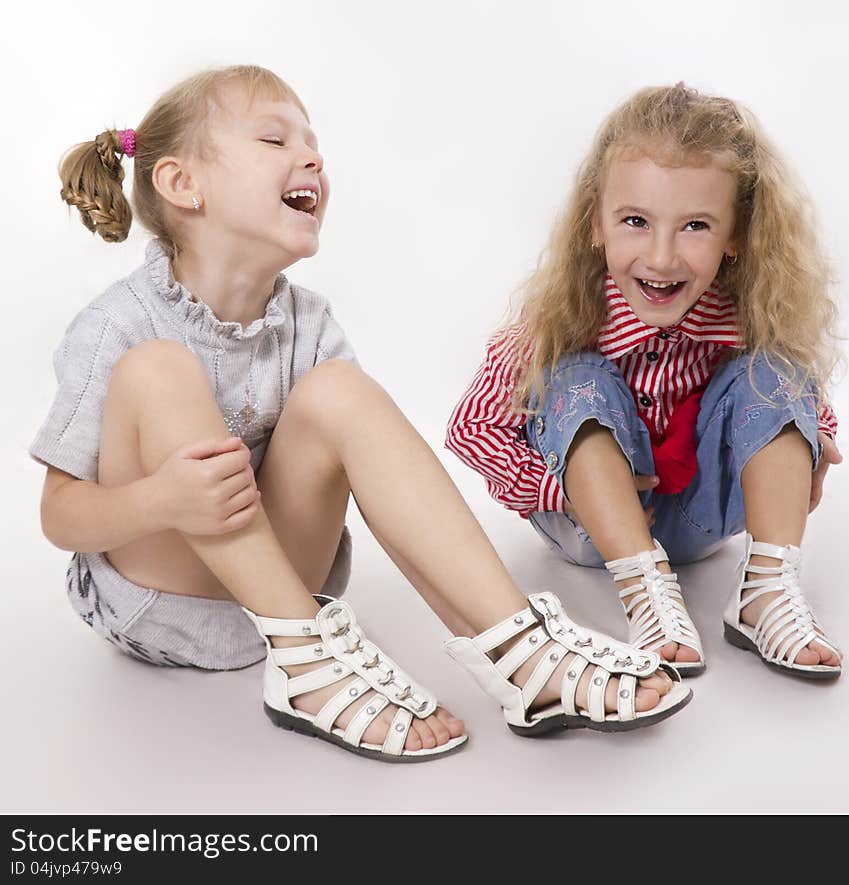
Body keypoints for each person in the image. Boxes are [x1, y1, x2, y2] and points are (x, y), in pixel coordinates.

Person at [30, 65, 691, 765]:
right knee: (158, 370)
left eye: (312, 144)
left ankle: (525, 649)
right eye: (274, 139)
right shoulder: (119, 322)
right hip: (162, 593)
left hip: (289, 582)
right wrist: (159, 499)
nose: (310, 158)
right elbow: (60, 515)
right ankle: (306, 663)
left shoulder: (309, 325)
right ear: (182, 184)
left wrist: (490, 634)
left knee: (339, 390)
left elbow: (392, 502)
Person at [447, 82, 843, 680]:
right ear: (595, 225)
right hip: (589, 529)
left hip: (699, 521)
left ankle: (765, 590)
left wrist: (809, 443)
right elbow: (472, 428)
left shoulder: (746, 315)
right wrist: (561, 492)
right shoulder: (564, 314)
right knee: (574, 374)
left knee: (775, 373)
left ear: (736, 236)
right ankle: (645, 586)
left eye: (695, 227)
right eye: (636, 221)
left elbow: (804, 398)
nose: (661, 258)